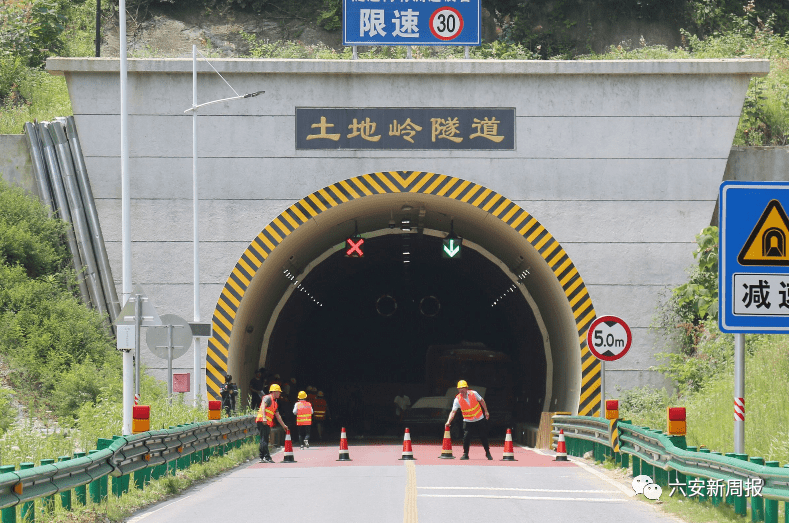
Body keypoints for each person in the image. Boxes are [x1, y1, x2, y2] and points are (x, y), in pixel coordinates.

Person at [445, 380, 492, 460]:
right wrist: (448, 421)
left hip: (479, 418)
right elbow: (453, 412)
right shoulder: (457, 399)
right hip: (468, 421)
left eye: (463, 388)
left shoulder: (474, 393)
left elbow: (481, 401)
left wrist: (486, 411)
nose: (461, 391)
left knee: (483, 436)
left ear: (467, 388)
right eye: (460, 389)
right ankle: (465, 454)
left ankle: (488, 453)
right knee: (466, 437)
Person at [256, 383, 288, 463]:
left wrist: (284, 425)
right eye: (278, 392)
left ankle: (262, 457)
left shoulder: (275, 403)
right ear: (274, 392)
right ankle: (267, 457)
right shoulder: (267, 398)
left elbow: (278, 416)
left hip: (266, 422)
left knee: (264, 439)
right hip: (262, 421)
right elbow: (263, 406)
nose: (280, 393)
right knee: (264, 439)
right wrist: (263, 417)